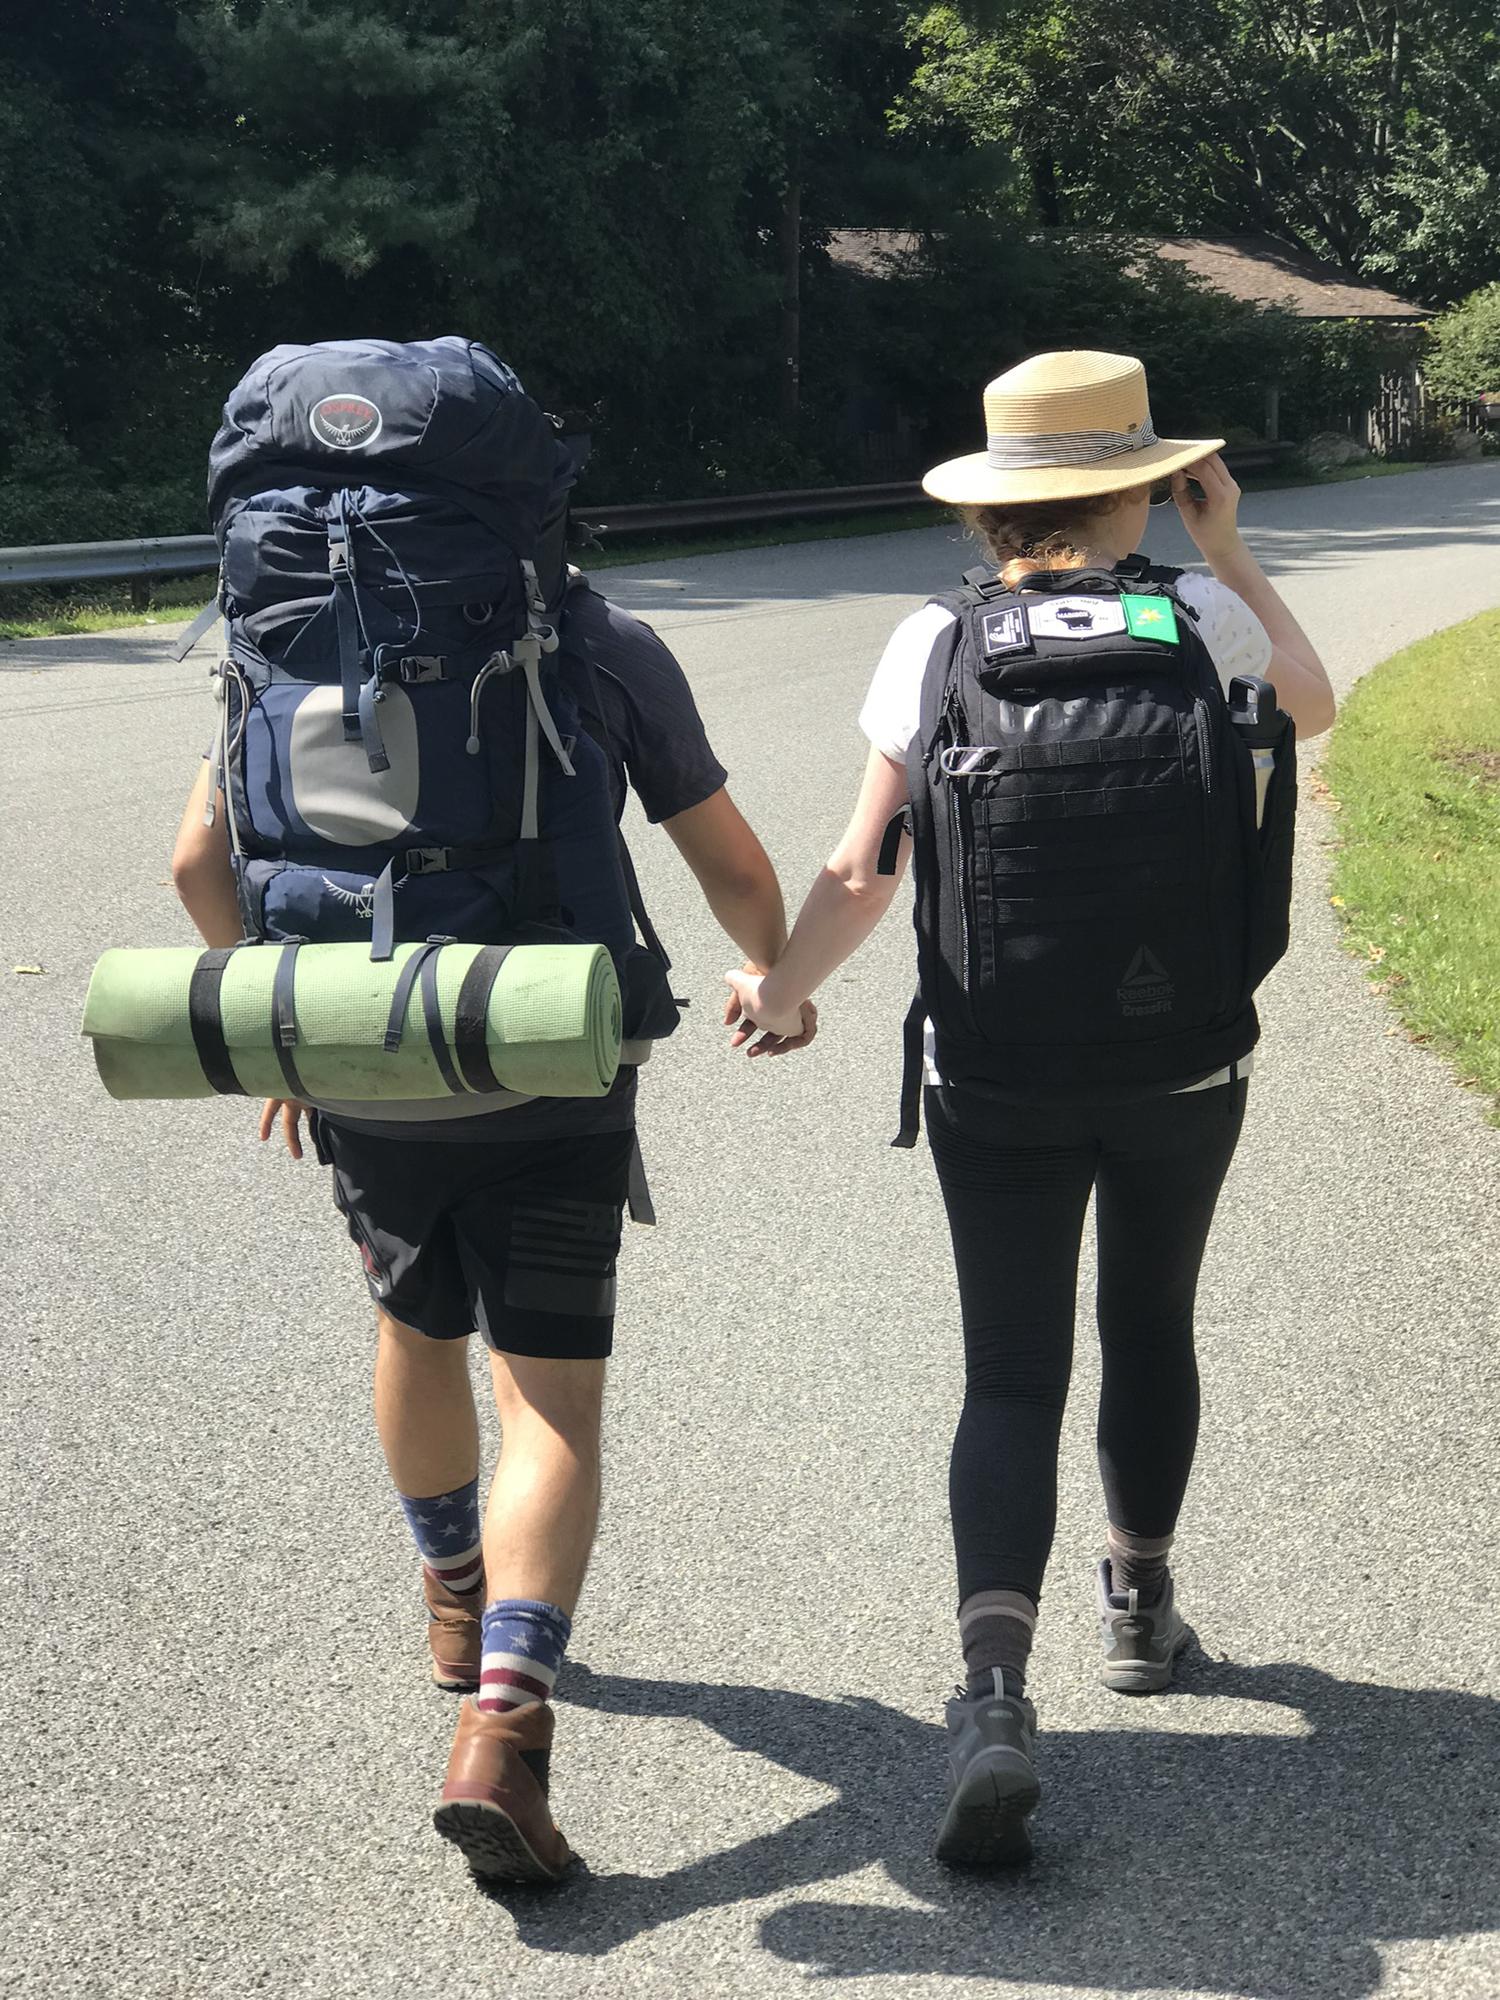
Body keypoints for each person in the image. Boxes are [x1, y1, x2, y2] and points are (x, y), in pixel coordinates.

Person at [725, 350, 1335, 1868]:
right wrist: (1231, 544)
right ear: (1145, 485)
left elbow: (869, 868)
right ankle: (1140, 1608)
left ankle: (994, 1692)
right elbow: (1312, 709)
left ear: (996, 505)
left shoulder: (935, 642)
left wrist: (784, 991)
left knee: (1010, 1371)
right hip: (1184, 1060)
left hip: (994, 1069)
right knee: (1153, 1322)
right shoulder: (1201, 620)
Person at [172, 567, 815, 1885]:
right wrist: (777, 975)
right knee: (551, 1407)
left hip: (359, 1052)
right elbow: (733, 864)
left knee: (413, 1330)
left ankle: (451, 1592)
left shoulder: (291, 631)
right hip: (548, 1058)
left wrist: (286, 1029)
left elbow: (197, 862)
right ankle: (504, 1722)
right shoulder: (592, 635)